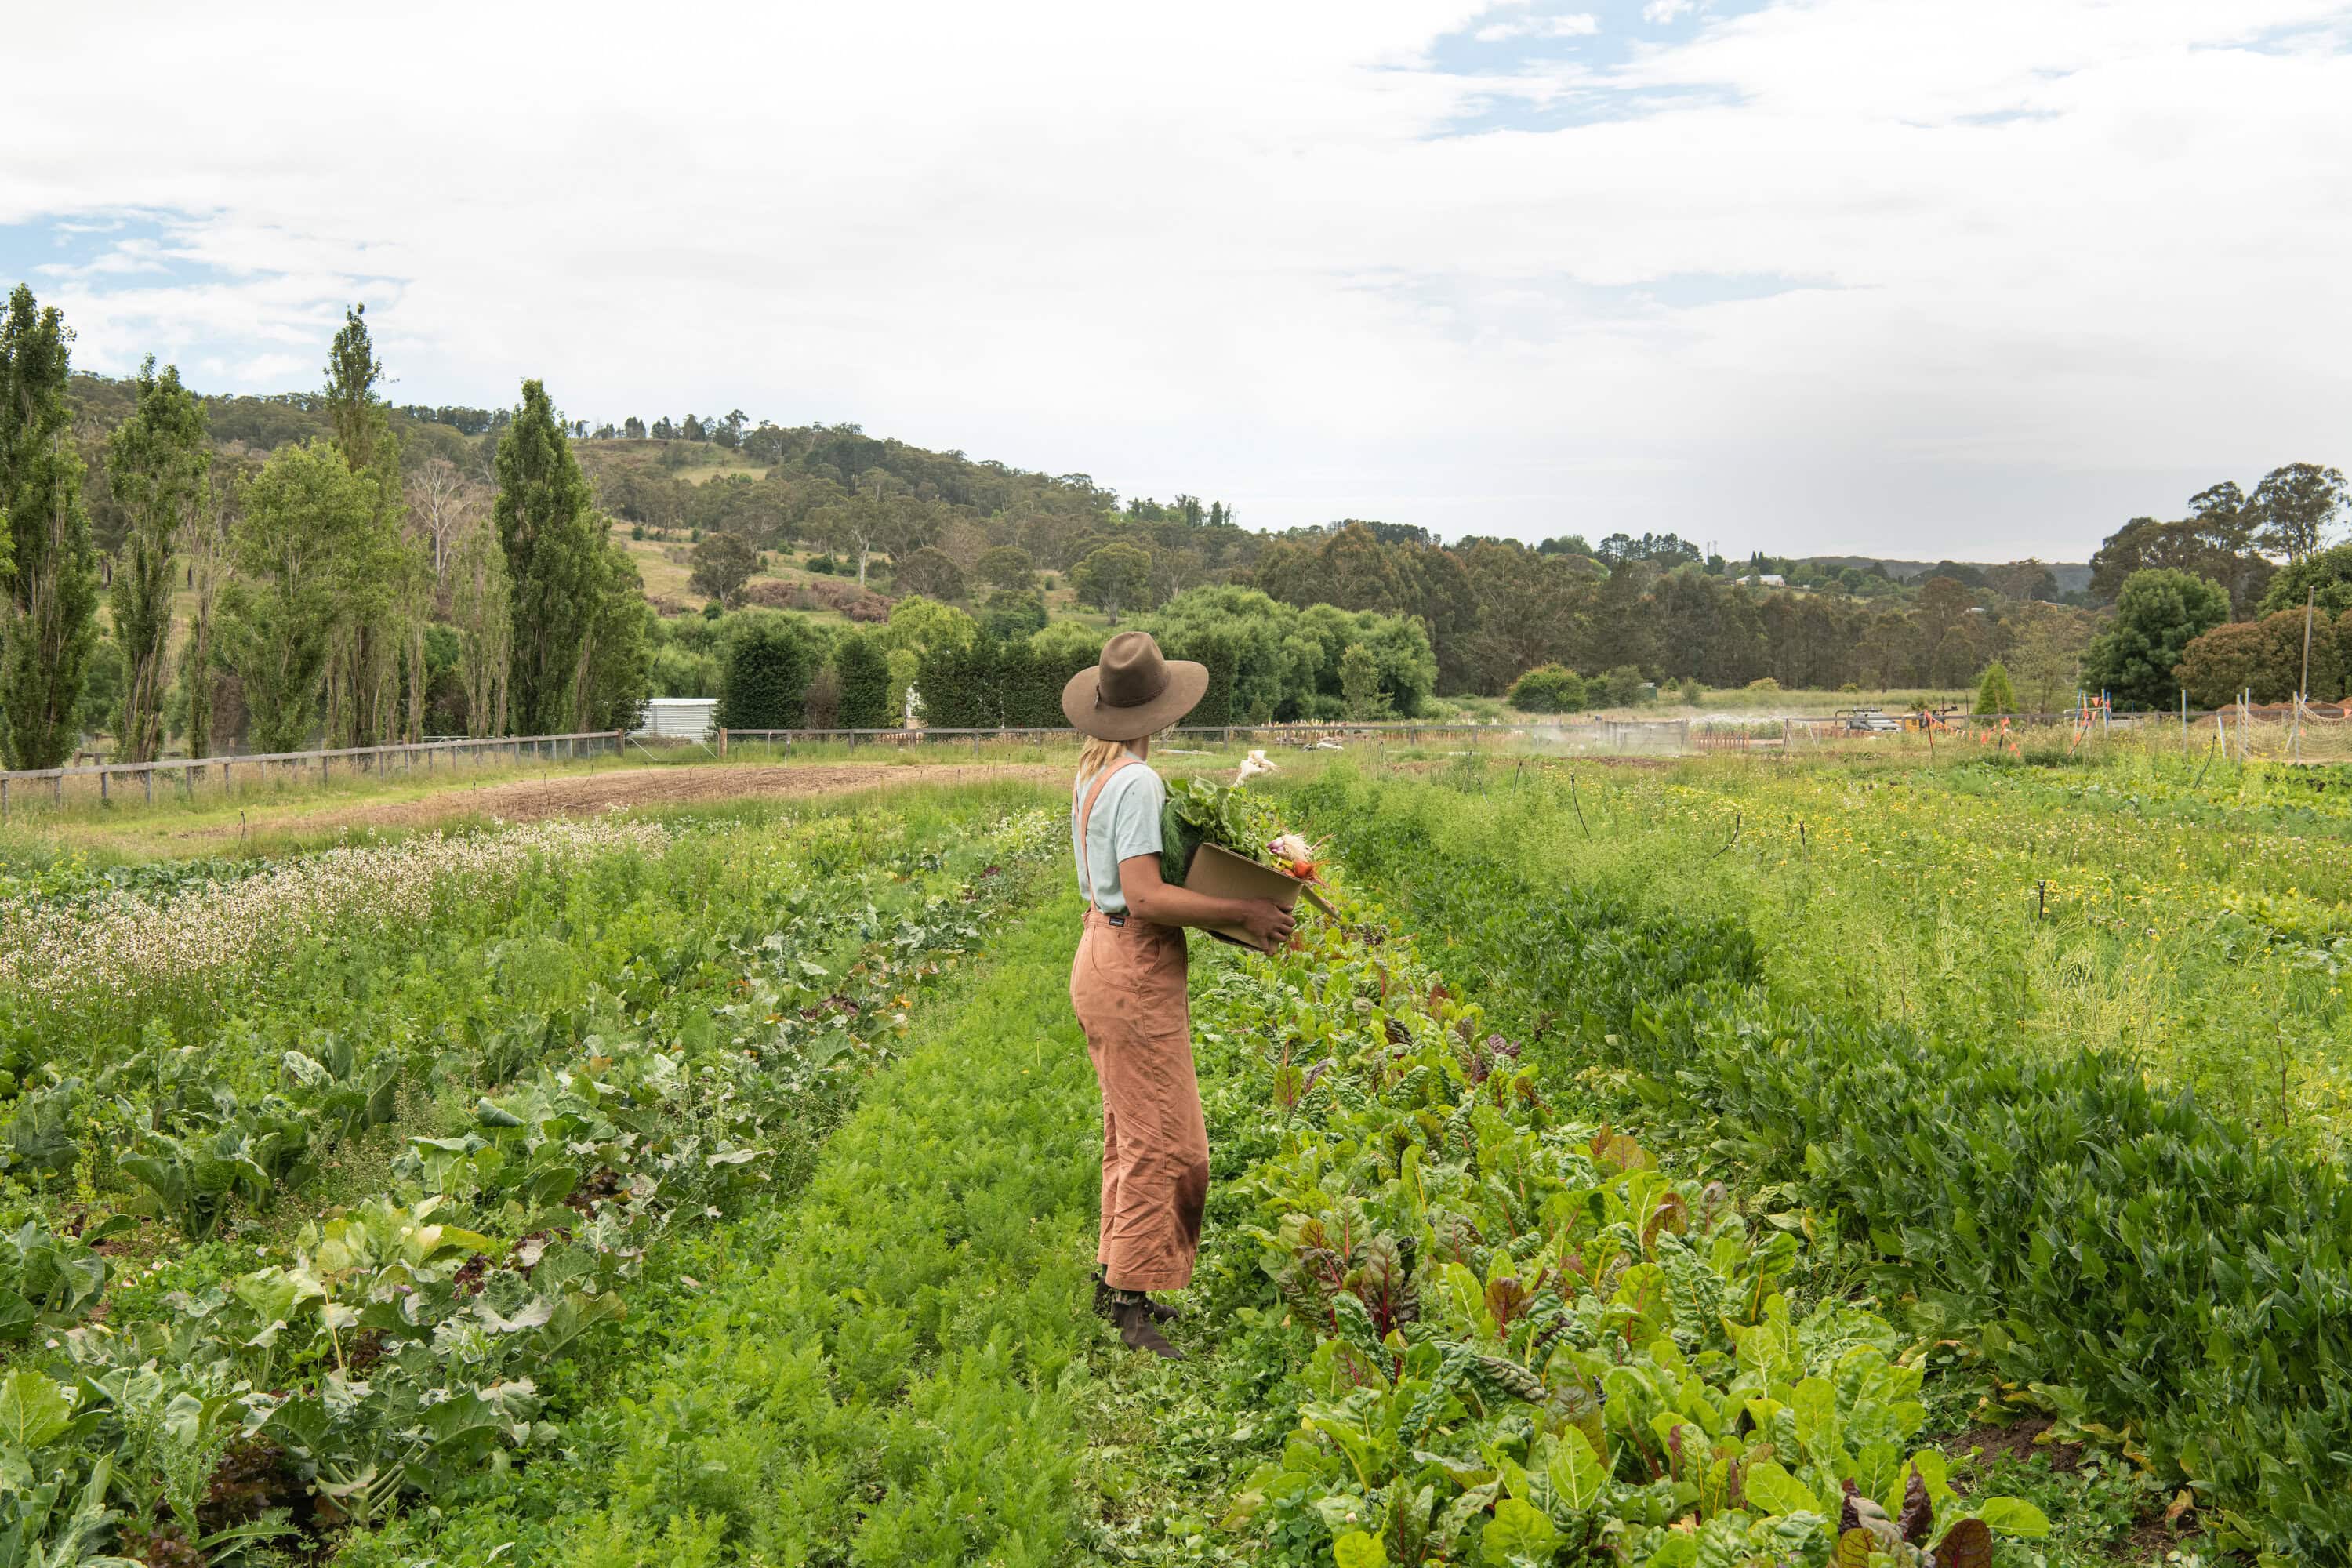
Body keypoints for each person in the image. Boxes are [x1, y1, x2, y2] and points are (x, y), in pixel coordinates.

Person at [1062, 631, 1294, 1359]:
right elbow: (1145, 894)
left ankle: (1116, 1281)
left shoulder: (1096, 772)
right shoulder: (1137, 782)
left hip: (1101, 953)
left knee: (1131, 1134)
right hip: (1130, 961)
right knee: (1171, 1145)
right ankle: (1131, 1305)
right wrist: (1244, 909)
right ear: (1160, 709)